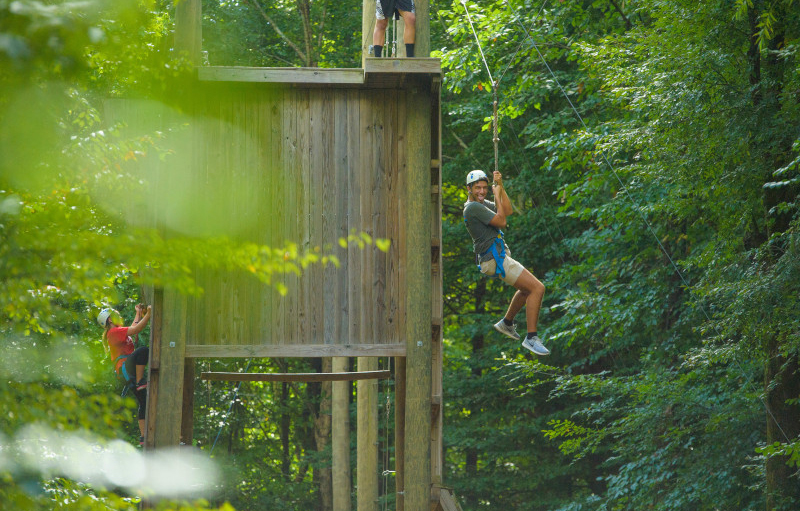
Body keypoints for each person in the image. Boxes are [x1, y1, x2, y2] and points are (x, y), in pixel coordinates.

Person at [463, 169, 550, 356]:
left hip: (496, 258)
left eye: (485, 188)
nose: (482, 191)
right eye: (477, 188)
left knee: (527, 289)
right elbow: (502, 221)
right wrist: (496, 194)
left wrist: (500, 187)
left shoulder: (479, 204)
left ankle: (507, 323)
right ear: (468, 188)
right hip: (494, 259)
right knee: (538, 288)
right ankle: (531, 338)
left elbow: (507, 210)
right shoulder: (473, 208)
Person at [98, 304, 152, 441]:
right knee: (143, 351)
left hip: (126, 371)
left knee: (144, 401)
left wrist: (139, 314)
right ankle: (140, 381)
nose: (119, 317)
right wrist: (149, 314)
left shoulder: (117, 331)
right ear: (110, 320)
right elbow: (137, 329)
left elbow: (134, 327)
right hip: (125, 368)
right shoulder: (114, 332)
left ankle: (143, 437)